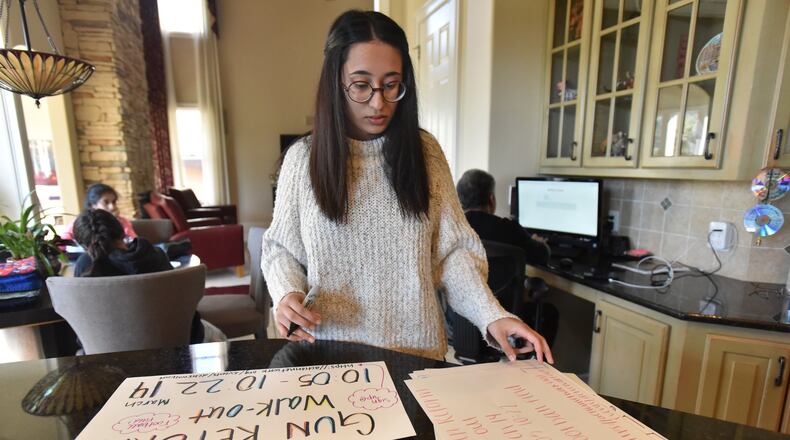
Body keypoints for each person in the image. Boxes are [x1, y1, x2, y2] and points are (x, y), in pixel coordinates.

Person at [261, 10, 552, 363]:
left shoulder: (424, 154)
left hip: (418, 358)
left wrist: (493, 315)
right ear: (335, 82)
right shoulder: (302, 160)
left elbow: (453, 254)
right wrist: (287, 293)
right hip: (329, 358)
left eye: (391, 84)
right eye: (361, 85)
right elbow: (281, 248)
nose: (378, 102)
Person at [72, 209, 224, 344]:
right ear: (122, 231)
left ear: (82, 245)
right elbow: (180, 302)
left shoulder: (85, 266)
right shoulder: (152, 254)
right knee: (221, 339)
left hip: (108, 349)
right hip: (176, 342)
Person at [456, 169, 549, 265]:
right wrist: (538, 243)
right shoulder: (510, 230)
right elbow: (542, 256)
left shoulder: (450, 229)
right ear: (491, 200)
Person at [61, 183, 136, 241]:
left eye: (113, 202)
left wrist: (116, 222)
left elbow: (134, 241)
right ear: (93, 205)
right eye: (106, 202)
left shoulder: (122, 221)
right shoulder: (79, 223)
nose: (112, 207)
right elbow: (63, 243)